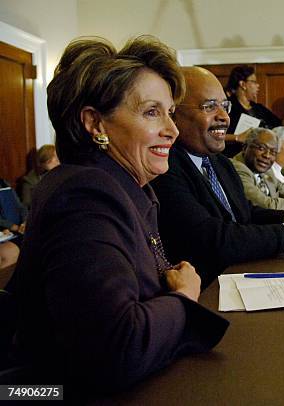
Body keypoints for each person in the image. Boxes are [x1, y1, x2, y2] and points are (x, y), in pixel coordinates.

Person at [11, 36, 228, 395]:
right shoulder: (86, 196)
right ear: (95, 123)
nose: (172, 130)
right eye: (150, 112)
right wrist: (185, 298)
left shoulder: (122, 186)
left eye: (170, 112)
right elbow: (116, 349)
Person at [150, 67, 284, 286]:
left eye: (225, 106)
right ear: (173, 114)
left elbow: (243, 213)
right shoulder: (165, 167)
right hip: (208, 291)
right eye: (209, 106)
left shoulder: (221, 163)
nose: (224, 117)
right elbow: (213, 238)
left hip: (245, 274)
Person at [222, 65, 284, 157]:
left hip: (259, 160)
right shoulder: (227, 107)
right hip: (233, 158)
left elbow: (281, 128)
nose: (258, 86)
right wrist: (237, 137)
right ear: (243, 84)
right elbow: (212, 135)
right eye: (254, 82)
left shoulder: (259, 108)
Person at [232, 128, 284, 210]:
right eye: (261, 148)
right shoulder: (237, 168)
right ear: (245, 147)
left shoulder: (265, 169)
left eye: (273, 152)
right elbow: (267, 205)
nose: (267, 155)